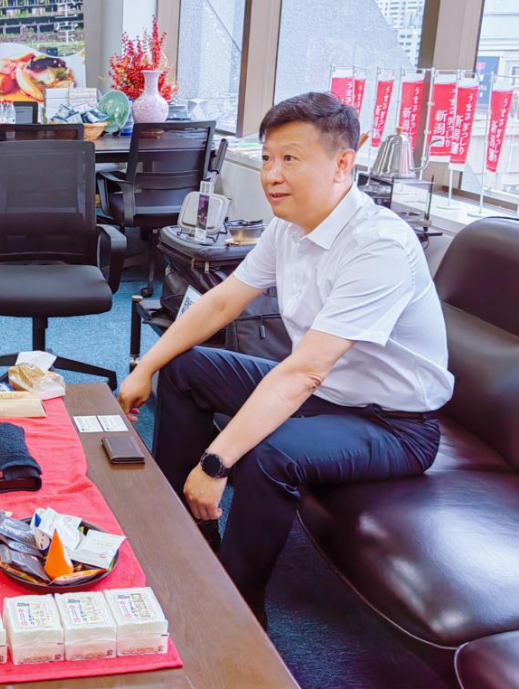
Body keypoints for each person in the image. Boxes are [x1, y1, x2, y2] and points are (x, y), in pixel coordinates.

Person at [118, 92, 453, 626]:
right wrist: (146, 367)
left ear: (343, 164)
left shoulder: (378, 246)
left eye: (290, 159)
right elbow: (222, 301)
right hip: (324, 395)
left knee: (270, 454)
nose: (271, 175)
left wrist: (215, 461)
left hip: (392, 425)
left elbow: (305, 370)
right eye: (268, 158)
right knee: (185, 367)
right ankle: (185, 534)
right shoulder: (290, 226)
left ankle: (237, 614)